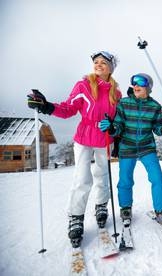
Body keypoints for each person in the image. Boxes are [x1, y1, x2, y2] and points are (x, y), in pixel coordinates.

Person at [27, 51, 122, 247]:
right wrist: (47, 107)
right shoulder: (84, 86)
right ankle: (76, 216)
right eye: (96, 62)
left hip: (104, 139)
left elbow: (118, 118)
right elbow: (68, 108)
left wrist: (114, 127)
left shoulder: (116, 93)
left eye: (104, 62)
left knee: (103, 175)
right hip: (84, 138)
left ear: (111, 68)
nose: (99, 65)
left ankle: (101, 205)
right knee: (82, 178)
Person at [99, 73, 162, 231]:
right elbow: (118, 126)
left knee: (158, 178)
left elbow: (157, 127)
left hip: (147, 147)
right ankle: (125, 207)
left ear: (149, 87)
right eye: (134, 82)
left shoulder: (155, 106)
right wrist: (112, 127)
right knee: (125, 179)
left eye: (140, 82)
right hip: (127, 147)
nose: (136, 85)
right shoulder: (124, 103)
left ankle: (161, 210)